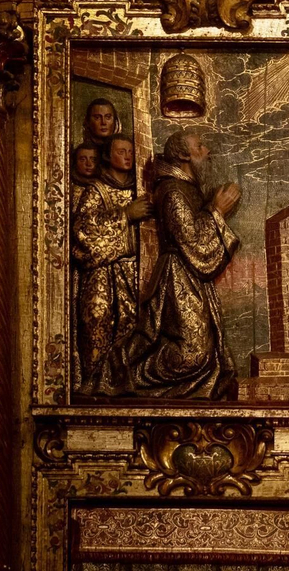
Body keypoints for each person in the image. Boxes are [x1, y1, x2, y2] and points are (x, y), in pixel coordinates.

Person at [127, 129, 242, 399]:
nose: (206, 151)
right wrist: (217, 211)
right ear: (182, 154)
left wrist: (213, 210)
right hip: (177, 278)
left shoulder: (187, 189)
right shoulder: (172, 192)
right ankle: (125, 374)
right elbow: (192, 243)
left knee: (205, 352)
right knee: (193, 353)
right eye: (200, 146)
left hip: (190, 278)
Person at [72, 135, 149, 396]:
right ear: (108, 156)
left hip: (132, 270)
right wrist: (125, 215)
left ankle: (122, 380)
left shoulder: (141, 189)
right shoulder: (97, 190)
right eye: (121, 152)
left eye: (130, 152)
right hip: (100, 273)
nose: (127, 156)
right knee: (96, 316)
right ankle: (91, 379)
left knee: (131, 322)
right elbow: (83, 231)